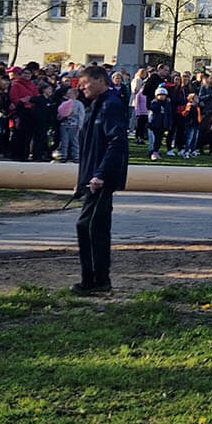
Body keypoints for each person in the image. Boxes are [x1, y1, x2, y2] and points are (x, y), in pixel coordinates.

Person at [71, 65, 129, 294]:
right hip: (93, 178)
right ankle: (93, 280)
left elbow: (116, 143)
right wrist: (83, 179)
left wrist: (100, 175)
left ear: (98, 80)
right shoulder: (96, 105)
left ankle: (97, 281)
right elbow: (89, 148)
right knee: (89, 226)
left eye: (84, 82)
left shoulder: (111, 105)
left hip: (102, 179)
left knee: (91, 226)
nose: (81, 87)